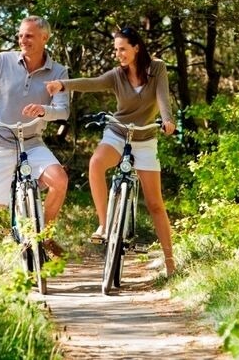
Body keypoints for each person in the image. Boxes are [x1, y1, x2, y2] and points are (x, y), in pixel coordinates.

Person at [46, 26, 176, 276]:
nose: (119, 54)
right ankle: (105, 224)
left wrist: (168, 120)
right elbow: (92, 83)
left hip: (146, 138)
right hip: (118, 133)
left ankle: (171, 264)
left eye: (123, 49)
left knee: (155, 204)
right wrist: (62, 85)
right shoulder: (117, 75)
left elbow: (163, 98)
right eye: (116, 50)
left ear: (136, 47)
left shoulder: (157, 68)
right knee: (95, 163)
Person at [0, 15, 69, 256]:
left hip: (31, 143)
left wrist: (45, 110)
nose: (23, 40)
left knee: (60, 181)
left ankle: (44, 236)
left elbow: (63, 110)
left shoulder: (59, 71)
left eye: (29, 35)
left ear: (45, 38)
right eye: (20, 35)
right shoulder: (4, 61)